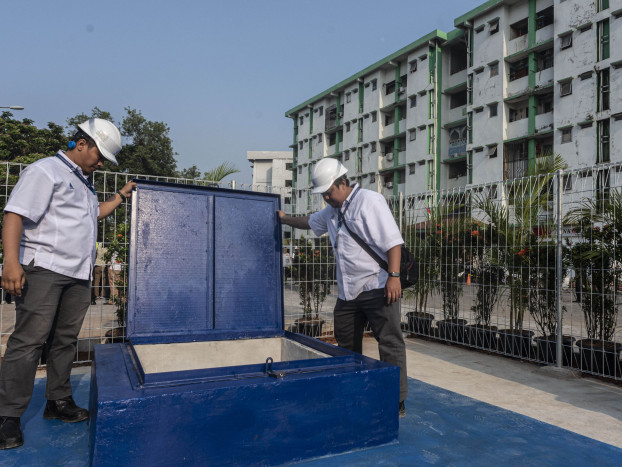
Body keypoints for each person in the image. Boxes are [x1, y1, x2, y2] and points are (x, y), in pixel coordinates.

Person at [0, 118, 136, 450]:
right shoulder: (45, 171)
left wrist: (120, 195)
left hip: (77, 273)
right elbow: (14, 214)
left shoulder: (83, 182)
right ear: (81, 143)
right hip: (45, 269)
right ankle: (7, 417)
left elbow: (92, 215)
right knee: (30, 341)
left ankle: (57, 401)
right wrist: (12, 262)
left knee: (64, 340)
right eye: (99, 154)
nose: (100, 162)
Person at [277, 158, 408, 418]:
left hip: (377, 285)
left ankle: (396, 401)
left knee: (390, 343)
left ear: (343, 182)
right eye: (323, 194)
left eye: (329, 192)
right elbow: (309, 222)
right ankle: (353, 389)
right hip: (348, 293)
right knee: (346, 343)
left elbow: (393, 242)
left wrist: (394, 276)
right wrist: (284, 219)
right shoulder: (331, 212)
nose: (326, 197)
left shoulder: (370, 201)